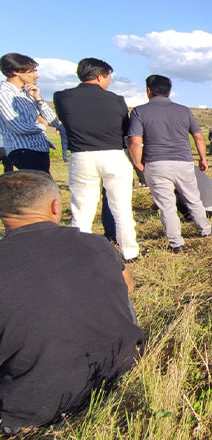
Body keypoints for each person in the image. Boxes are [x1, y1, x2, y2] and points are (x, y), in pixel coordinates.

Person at [0, 170, 143, 433]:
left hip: (31, 409)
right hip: (119, 374)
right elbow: (128, 287)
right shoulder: (97, 244)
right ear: (55, 206)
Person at [53, 57, 140, 261]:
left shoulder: (61, 97)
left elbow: (65, 121)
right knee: (122, 208)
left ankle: (79, 252)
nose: (109, 82)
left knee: (82, 209)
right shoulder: (116, 100)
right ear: (100, 76)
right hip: (113, 155)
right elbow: (125, 129)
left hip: (81, 156)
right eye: (108, 77)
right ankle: (130, 251)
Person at [127, 75, 211, 253]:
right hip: (183, 161)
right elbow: (198, 137)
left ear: (148, 91)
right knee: (193, 198)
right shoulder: (184, 110)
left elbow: (135, 141)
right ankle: (205, 231)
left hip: (156, 163)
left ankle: (176, 244)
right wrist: (202, 158)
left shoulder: (139, 112)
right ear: (169, 91)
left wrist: (137, 163)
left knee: (167, 205)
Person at [0, 53, 60, 173]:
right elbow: (20, 127)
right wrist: (42, 124)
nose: (36, 75)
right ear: (15, 72)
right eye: (31, 71)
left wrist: (38, 99)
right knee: (41, 189)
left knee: (45, 187)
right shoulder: (4, 94)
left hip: (39, 148)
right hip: (23, 150)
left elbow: (53, 121)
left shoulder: (28, 92)